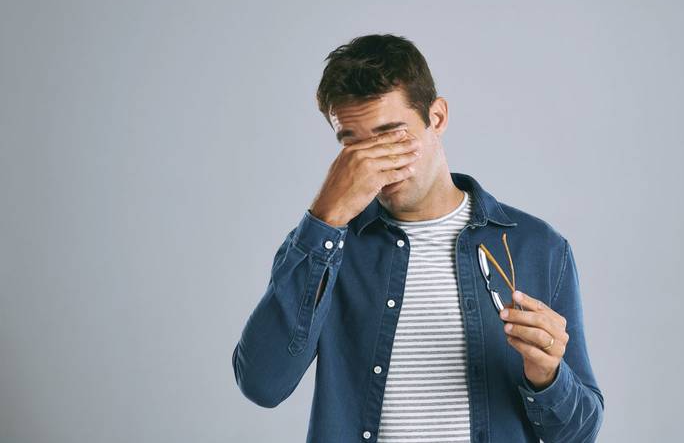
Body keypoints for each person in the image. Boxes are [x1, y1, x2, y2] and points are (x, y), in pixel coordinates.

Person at [232, 33, 604, 442]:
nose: (374, 162)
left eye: (391, 135)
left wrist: (547, 376)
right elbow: (262, 385)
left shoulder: (538, 247)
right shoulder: (323, 246)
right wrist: (324, 218)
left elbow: (579, 434)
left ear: (437, 118)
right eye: (354, 146)